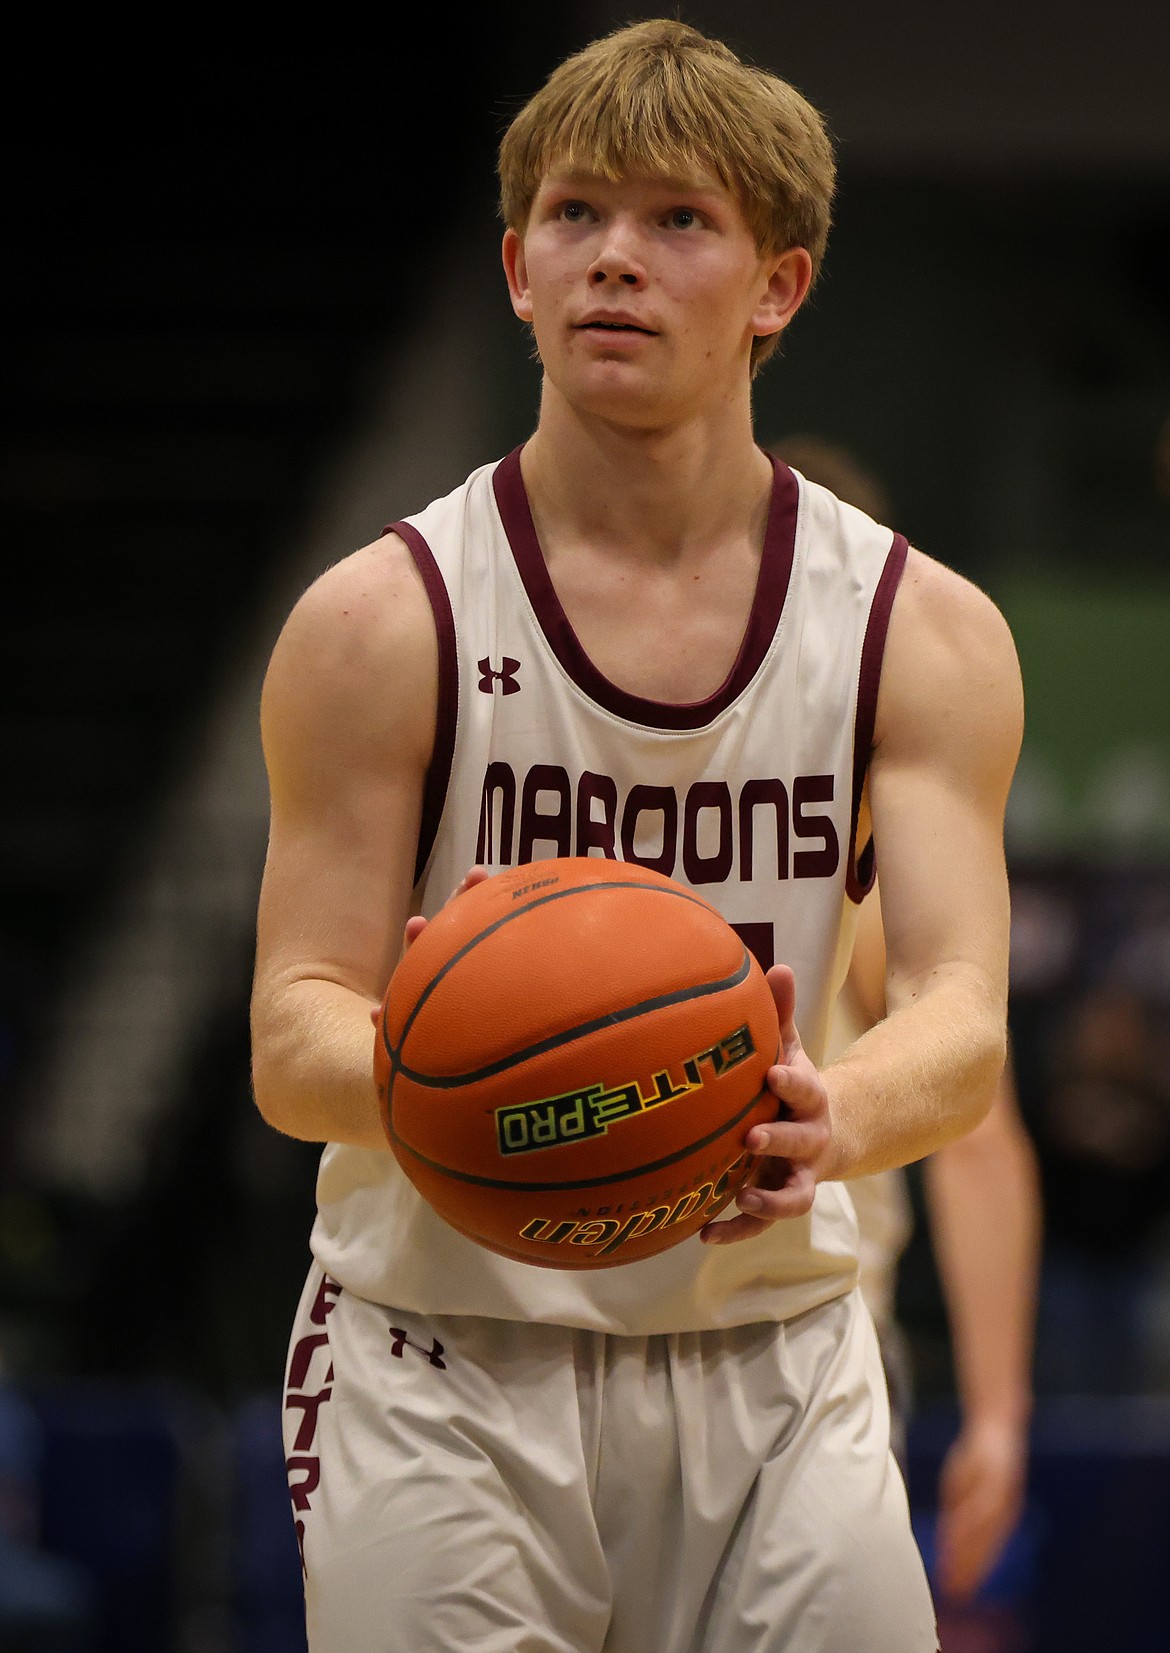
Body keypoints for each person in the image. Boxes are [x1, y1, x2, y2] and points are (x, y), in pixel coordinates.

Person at [249, 19, 1023, 1652]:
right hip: (444, 1348)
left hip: (775, 1349)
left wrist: (835, 1109)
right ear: (516, 267)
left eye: (679, 220)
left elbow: (959, 1022)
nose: (615, 258)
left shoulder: (916, 627)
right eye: (576, 214)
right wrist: (506, 1088)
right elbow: (291, 1025)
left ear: (776, 287)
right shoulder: (381, 620)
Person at [772, 436, 1042, 1605]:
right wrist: (997, 1413)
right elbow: (977, 1138)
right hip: (802, 1353)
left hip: (744, 1338)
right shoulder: (864, 829)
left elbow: (972, 1120)